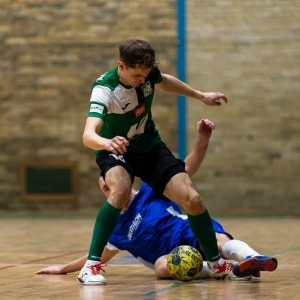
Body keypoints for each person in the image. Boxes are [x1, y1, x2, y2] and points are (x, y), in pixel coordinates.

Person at [36, 120, 277, 280]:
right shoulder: (116, 231)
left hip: (190, 233)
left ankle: (252, 258)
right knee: (162, 268)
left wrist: (203, 140)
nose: (111, 189)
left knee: (217, 241)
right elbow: (94, 255)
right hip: (173, 256)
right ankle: (232, 271)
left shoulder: (151, 190)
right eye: (105, 188)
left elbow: (187, 167)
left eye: (112, 183)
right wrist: (63, 268)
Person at [80, 38, 232, 285]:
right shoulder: (104, 90)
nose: (143, 79)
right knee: (119, 191)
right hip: (116, 148)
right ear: (121, 65)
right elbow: (88, 136)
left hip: (149, 146)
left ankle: (216, 264)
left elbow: (165, 81)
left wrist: (200, 95)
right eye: (137, 75)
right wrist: (107, 143)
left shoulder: (148, 75)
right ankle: (91, 266)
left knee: (192, 199)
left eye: (146, 74)